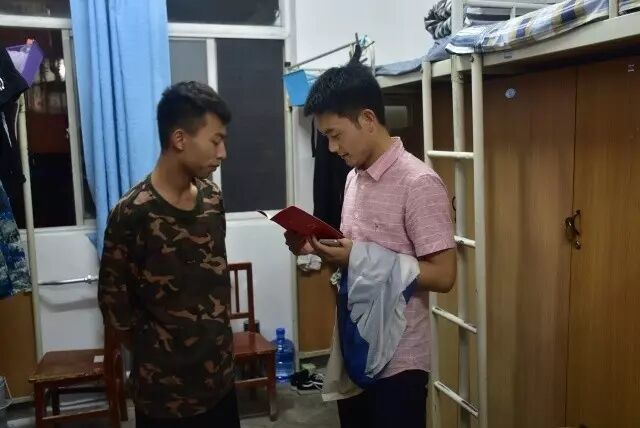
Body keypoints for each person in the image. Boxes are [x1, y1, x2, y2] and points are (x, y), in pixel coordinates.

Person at [285, 58, 457, 428]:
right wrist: (317, 248)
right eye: (326, 137)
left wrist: (359, 256)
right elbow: (355, 254)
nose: (332, 148)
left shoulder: (419, 183)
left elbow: (444, 276)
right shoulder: (354, 178)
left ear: (367, 119)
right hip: (355, 344)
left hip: (399, 362)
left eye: (335, 135)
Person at [98, 81, 240, 428]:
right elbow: (116, 310)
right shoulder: (132, 213)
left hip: (219, 385)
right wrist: (161, 356)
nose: (223, 153)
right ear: (179, 139)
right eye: (216, 141)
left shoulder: (212, 199)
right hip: (163, 398)